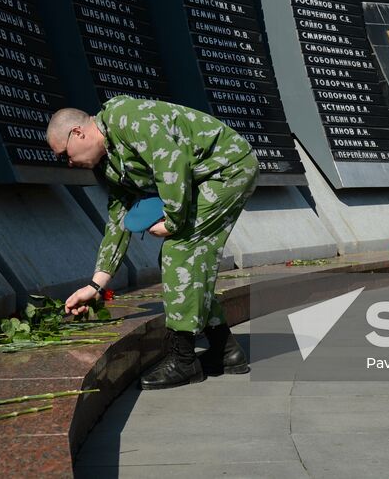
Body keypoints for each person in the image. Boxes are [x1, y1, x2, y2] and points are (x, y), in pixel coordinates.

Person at [47, 96, 258, 389]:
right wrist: (96, 285)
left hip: (227, 168)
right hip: (200, 178)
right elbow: (118, 222)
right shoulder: (106, 164)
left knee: (179, 250)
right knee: (183, 257)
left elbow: (171, 162)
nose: (68, 163)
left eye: (64, 154)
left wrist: (172, 221)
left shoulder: (127, 118)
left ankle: (183, 359)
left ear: (78, 133)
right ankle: (226, 351)